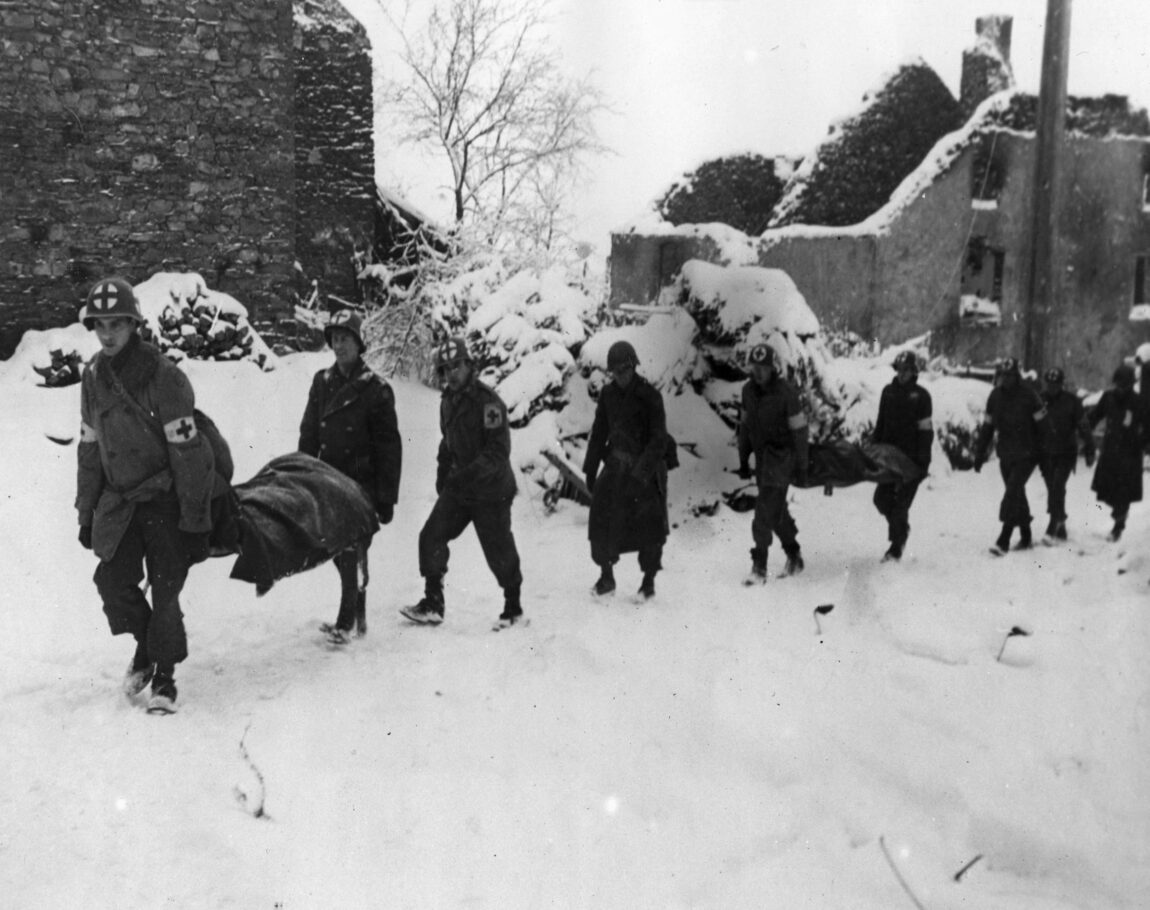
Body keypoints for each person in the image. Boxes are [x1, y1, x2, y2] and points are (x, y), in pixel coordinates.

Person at [75, 276, 215, 715]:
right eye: (100, 325)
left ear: (134, 325)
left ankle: (167, 680)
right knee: (112, 582)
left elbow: (189, 454)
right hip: (121, 502)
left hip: (164, 498)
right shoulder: (93, 377)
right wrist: (85, 512)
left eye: (118, 324)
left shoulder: (163, 376)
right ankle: (145, 646)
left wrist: (194, 518)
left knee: (166, 590)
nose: (108, 334)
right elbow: (90, 449)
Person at [400, 337, 524, 629]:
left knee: (498, 549)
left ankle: (513, 606)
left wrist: (465, 476)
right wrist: (443, 475)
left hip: (491, 490)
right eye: (445, 369)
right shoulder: (446, 402)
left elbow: (497, 453)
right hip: (460, 487)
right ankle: (433, 603)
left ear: (470, 365)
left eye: (456, 366)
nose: (451, 374)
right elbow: (448, 442)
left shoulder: (490, 403)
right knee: (430, 536)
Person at [298, 308, 402, 644]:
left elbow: (390, 449)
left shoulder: (376, 390)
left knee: (348, 546)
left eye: (346, 338)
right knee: (338, 548)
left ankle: (348, 621)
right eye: (335, 338)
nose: (339, 345)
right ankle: (357, 617)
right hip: (328, 483)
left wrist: (386, 499)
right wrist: (301, 474)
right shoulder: (322, 382)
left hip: (361, 486)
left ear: (359, 344)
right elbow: (309, 433)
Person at [582, 340, 670, 600]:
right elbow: (599, 433)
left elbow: (658, 441)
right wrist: (590, 467)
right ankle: (606, 577)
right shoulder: (608, 395)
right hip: (615, 467)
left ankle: (648, 582)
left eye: (624, 369)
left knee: (650, 526)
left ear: (633, 367)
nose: (620, 376)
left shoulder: (650, 397)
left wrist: (640, 474)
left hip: (645, 468)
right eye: (615, 371)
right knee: (600, 519)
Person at [736, 343, 808, 584]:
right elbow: (744, 427)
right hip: (763, 460)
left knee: (764, 510)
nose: (758, 373)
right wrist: (743, 458)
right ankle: (794, 555)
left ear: (772, 368)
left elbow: (799, 431)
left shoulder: (786, 392)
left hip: (782, 459)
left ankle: (759, 567)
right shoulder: (748, 391)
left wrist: (802, 464)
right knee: (776, 511)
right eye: (755, 368)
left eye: (763, 368)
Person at [972, 357, 1047, 555]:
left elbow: (1043, 426)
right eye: (1003, 375)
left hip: (1028, 453)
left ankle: (1003, 538)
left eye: (1010, 376)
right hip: (1006, 453)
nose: (1006, 379)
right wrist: (979, 453)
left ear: (1017, 376)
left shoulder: (1029, 396)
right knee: (1017, 493)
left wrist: (1045, 453)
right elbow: (988, 427)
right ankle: (1026, 533)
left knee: (1012, 492)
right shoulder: (995, 396)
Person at [871, 350, 933, 562]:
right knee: (881, 500)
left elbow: (926, 431)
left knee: (900, 506)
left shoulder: (922, 396)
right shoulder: (888, 392)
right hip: (888, 459)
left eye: (906, 370)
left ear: (914, 371)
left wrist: (923, 462)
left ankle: (896, 548)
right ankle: (901, 530)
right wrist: (873, 449)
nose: (902, 374)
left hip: (911, 461)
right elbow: (880, 424)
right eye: (899, 369)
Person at [1086, 363, 1150, 541]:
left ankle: (1118, 526)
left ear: (1131, 384)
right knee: (1106, 489)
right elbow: (1094, 417)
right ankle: (1119, 514)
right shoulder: (1108, 398)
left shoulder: (1139, 402)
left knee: (1123, 492)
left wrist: (1143, 443)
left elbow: (1148, 427)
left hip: (1130, 453)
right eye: (1118, 384)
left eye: (1125, 385)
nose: (1121, 388)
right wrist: (1083, 428)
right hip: (1110, 451)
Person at [1036, 367, 1095, 541]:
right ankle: (1060, 521)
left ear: (1061, 384)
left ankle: (1053, 524)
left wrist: (1090, 448)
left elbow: (1083, 425)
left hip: (1066, 452)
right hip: (1046, 453)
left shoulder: (1072, 401)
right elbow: (1033, 424)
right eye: (1049, 384)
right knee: (1053, 489)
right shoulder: (1040, 400)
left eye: (1056, 384)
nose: (1052, 387)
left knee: (1057, 485)